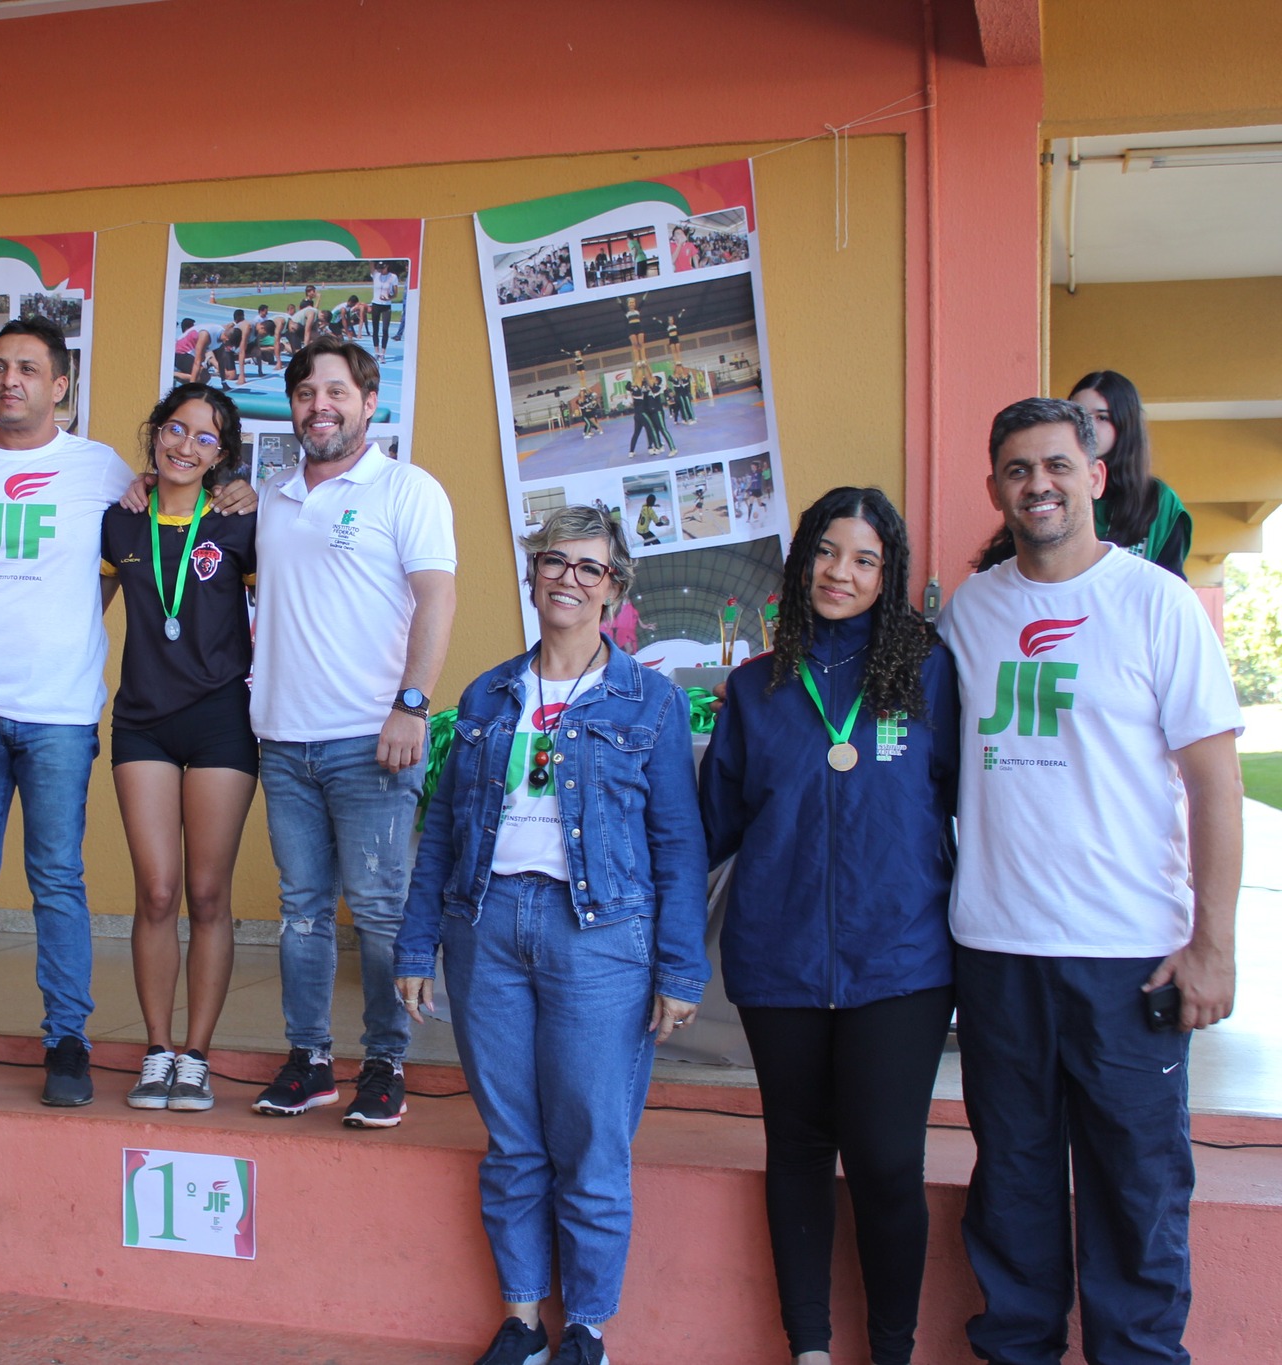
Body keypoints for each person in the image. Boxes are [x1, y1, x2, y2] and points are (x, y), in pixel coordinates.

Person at [0, 318, 256, 1107]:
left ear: (61, 388)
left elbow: (135, 558)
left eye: (28, 368)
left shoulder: (104, 470)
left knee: (59, 880)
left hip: (61, 714)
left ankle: (68, 1042)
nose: (9, 379)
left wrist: (233, 486)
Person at [942, 397, 1242, 1365]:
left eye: (1055, 466)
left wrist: (1211, 943)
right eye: (1018, 470)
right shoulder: (970, 609)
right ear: (995, 488)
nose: (1037, 485)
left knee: (1135, 1187)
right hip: (996, 953)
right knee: (1014, 1182)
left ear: (1095, 477)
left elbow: (1213, 783)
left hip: (1128, 960)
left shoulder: (1154, 602)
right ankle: (1017, 1349)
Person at [397, 505, 708, 1365]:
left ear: (615, 589)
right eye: (554, 562)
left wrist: (681, 965)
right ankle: (523, 1319)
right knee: (513, 1140)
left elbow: (679, 842)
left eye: (590, 568)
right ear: (533, 574)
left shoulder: (650, 699)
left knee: (592, 1138)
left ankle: (588, 1327)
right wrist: (417, 945)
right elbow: (444, 833)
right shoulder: (489, 693)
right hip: (486, 925)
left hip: (599, 936)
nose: (569, 578)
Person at [698, 488, 960, 1365]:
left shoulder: (929, 671)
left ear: (889, 577)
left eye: (864, 559)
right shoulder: (755, 686)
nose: (840, 573)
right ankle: (808, 1345)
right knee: (799, 1149)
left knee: (886, 1157)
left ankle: (892, 1348)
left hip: (902, 960)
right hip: (778, 960)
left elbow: (969, 803)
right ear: (801, 557)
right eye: (826, 552)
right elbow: (709, 827)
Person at [246, 336, 456, 1128]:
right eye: (305, 392)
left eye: (336, 390)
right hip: (283, 740)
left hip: (373, 738)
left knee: (378, 909)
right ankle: (310, 1059)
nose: (319, 404)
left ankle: (386, 1061)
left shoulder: (407, 488)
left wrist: (413, 702)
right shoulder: (270, 496)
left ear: (371, 403)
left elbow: (436, 600)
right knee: (300, 908)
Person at [101, 384, 258, 1112]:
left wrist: (253, 494)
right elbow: (72, 613)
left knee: (206, 893)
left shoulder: (238, 524)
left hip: (222, 719)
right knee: (157, 890)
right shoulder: (120, 520)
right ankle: (156, 1049)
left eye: (204, 438)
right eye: (175, 428)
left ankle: (197, 1054)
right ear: (155, 432)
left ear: (221, 454)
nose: (185, 446)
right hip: (142, 722)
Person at [974, 370, 1191, 579]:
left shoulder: (1157, 500)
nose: (1088, 425)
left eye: (1102, 417)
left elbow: (1171, 577)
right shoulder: (1042, 491)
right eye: (1081, 414)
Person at [368, 261, 400, 361]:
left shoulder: (393, 277)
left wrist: (388, 298)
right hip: (376, 304)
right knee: (375, 329)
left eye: (382, 268)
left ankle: (383, 353)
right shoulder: (376, 275)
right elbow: (371, 263)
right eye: (379, 268)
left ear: (387, 267)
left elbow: (395, 294)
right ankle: (376, 351)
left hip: (386, 305)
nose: (380, 270)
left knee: (385, 330)